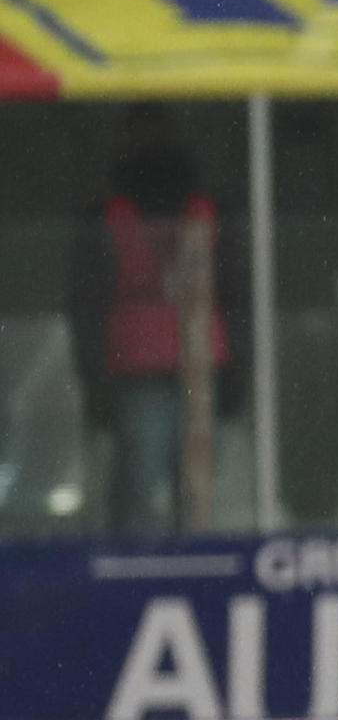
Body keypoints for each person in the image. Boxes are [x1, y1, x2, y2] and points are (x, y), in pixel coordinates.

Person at [65, 110, 246, 533]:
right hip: (143, 369)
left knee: (185, 488)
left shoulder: (205, 207)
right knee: (146, 487)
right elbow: (88, 307)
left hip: (191, 363)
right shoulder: (112, 212)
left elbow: (237, 293)